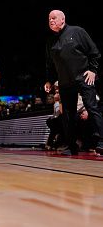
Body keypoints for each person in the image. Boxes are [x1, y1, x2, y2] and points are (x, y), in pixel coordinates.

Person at [44, 10, 103, 156]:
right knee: (68, 115)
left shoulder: (77, 32)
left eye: (54, 18)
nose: (51, 20)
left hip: (83, 77)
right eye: (49, 18)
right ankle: (71, 146)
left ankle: (100, 142)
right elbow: (50, 65)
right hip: (65, 82)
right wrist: (49, 81)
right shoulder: (50, 41)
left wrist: (93, 70)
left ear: (62, 19)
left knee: (92, 107)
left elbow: (94, 52)